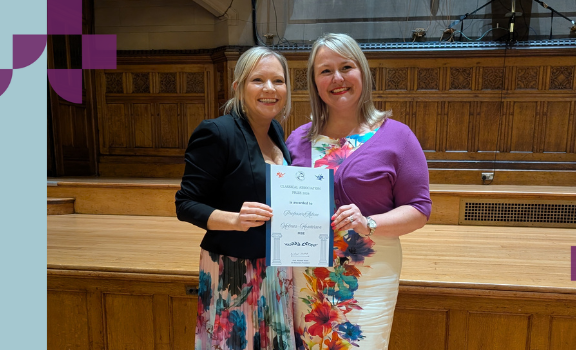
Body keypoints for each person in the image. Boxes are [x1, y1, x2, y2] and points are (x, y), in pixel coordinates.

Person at [285, 33, 432, 350]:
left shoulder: (397, 137)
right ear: (314, 82)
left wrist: (369, 223)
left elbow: (419, 210)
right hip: (308, 278)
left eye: (346, 67)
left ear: (362, 72)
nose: (337, 78)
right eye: (325, 71)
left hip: (368, 277)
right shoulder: (297, 140)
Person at [176, 46, 297, 350]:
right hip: (233, 270)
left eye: (278, 81)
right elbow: (186, 204)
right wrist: (234, 219)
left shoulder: (276, 132)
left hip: (276, 268)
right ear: (238, 87)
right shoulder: (217, 133)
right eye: (258, 80)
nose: (270, 89)